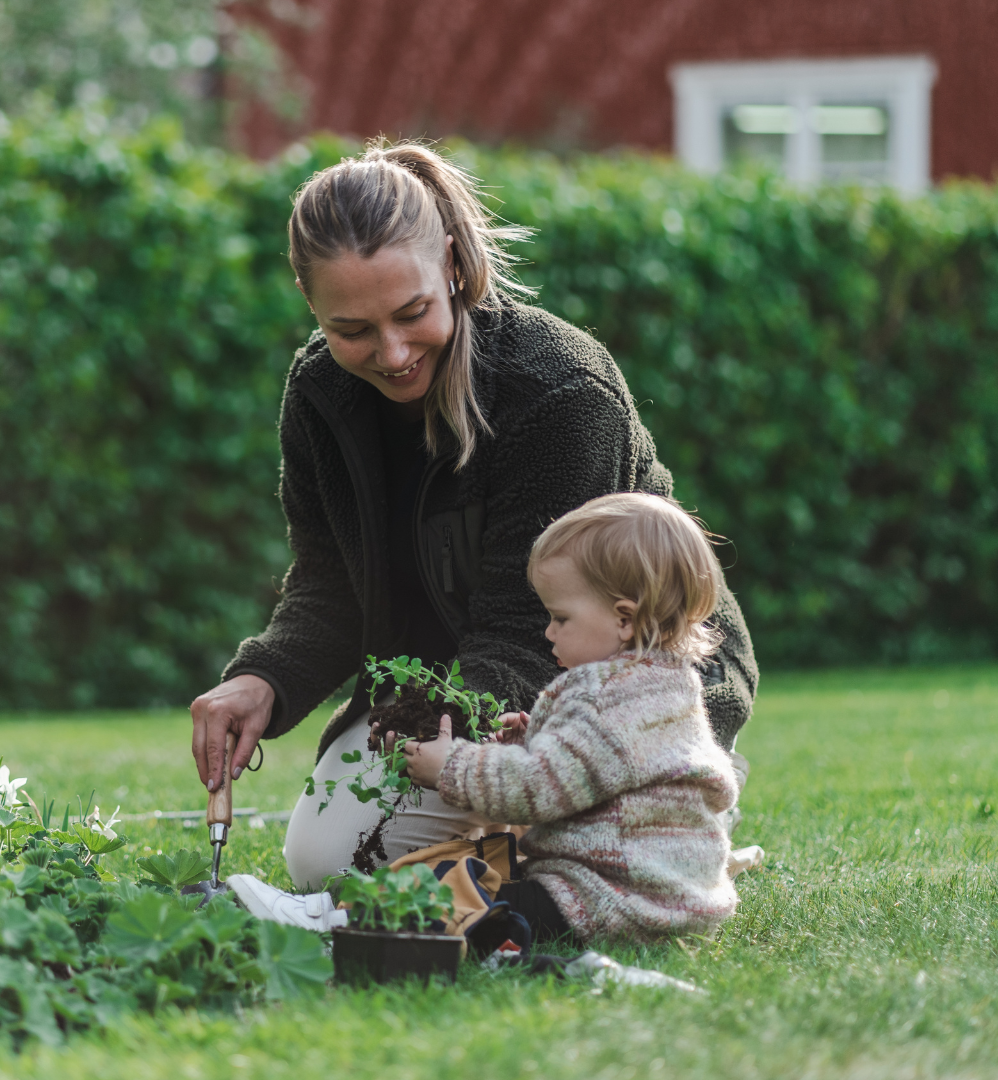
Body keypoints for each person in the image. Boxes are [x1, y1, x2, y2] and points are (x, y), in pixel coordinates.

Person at [188, 139, 759, 890]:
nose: (391, 353)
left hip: (612, 677)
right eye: (351, 329)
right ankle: (594, 833)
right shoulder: (321, 396)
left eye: (412, 312)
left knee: (421, 864)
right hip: (436, 684)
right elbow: (330, 584)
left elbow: (530, 630)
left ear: (452, 265)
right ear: (309, 300)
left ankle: (669, 794)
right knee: (323, 863)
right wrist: (264, 679)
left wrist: (444, 750)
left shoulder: (556, 392)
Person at [398, 493, 751, 945]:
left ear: (624, 619)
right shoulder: (669, 685)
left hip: (607, 895)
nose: (548, 632)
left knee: (457, 898)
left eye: (559, 617)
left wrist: (451, 765)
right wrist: (537, 738)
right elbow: (605, 770)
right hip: (669, 894)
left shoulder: (603, 696)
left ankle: (343, 916)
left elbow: (538, 789)